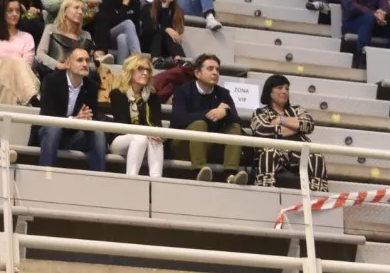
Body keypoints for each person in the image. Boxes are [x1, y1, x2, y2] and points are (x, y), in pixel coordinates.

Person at [171, 54, 245, 183]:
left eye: (217, 69)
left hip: (210, 146)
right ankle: (198, 171)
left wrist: (225, 112)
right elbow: (178, 119)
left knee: (234, 128)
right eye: (210, 69)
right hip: (183, 145)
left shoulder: (223, 93)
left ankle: (230, 174)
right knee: (199, 124)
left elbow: (238, 122)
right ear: (197, 73)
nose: (215, 72)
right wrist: (209, 113)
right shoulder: (183, 91)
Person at [251, 74, 328, 192]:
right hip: (275, 152)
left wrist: (282, 120)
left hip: (297, 153)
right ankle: (264, 193)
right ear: (269, 92)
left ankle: (317, 199)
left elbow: (308, 124)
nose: (284, 91)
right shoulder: (261, 112)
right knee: (270, 153)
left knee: (316, 156)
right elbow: (262, 130)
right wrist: (295, 127)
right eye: (279, 88)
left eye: (287, 88)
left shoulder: (297, 110)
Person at [38, 47, 107, 171]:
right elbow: (47, 115)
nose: (85, 64)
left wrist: (86, 119)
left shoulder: (91, 86)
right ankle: (45, 176)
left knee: (97, 132)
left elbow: (91, 114)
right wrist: (74, 119)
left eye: (87, 60)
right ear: (68, 64)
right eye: (80, 60)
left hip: (74, 136)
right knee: (55, 128)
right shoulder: (51, 81)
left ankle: (98, 180)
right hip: (48, 133)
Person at [105, 53, 165, 177]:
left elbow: (156, 123)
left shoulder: (153, 97)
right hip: (120, 139)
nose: (145, 73)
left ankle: (156, 181)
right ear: (130, 71)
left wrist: (155, 134)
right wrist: (146, 132)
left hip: (145, 139)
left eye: (147, 70)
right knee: (140, 137)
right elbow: (122, 125)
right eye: (140, 69)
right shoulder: (118, 94)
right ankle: (131, 179)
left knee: (156, 140)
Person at [0, 0, 39, 105]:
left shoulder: (27, 37)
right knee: (17, 62)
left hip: (19, 80)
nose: (15, 14)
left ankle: (28, 97)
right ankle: (32, 98)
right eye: (10, 10)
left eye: (17, 11)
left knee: (19, 65)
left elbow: (27, 64)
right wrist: (12, 61)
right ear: (1, 12)